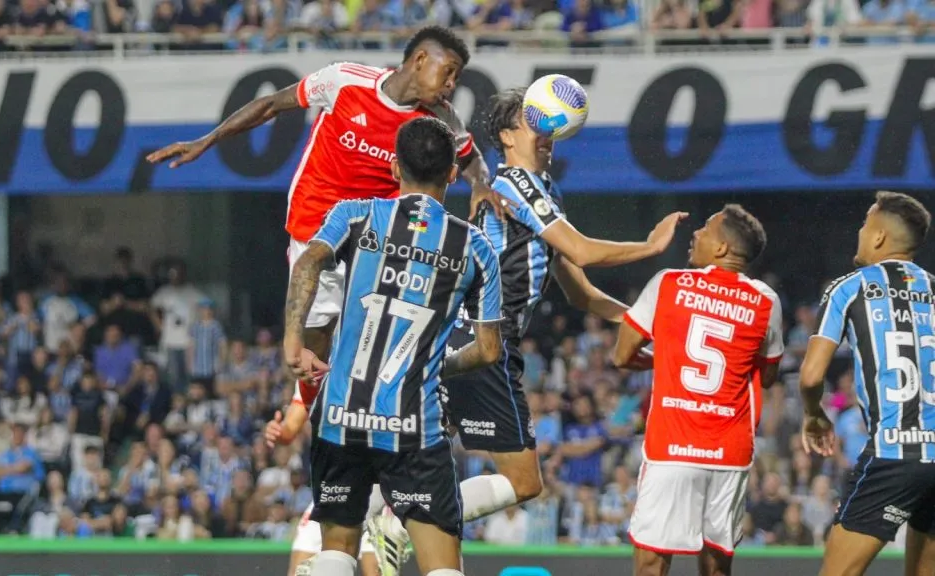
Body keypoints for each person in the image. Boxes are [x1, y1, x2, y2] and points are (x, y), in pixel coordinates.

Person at [384, 87, 686, 559]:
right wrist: (649, 248)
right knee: (523, 481)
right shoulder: (516, 185)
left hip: (473, 339)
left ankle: (391, 526)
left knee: (451, 468)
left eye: (550, 128)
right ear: (506, 135)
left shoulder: (544, 194)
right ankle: (401, 524)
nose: (547, 136)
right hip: (481, 338)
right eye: (534, 124)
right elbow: (583, 250)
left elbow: (579, 291)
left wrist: (650, 330)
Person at [146, 26, 503, 407]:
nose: (451, 84)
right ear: (419, 60)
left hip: (376, 233)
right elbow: (271, 105)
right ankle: (309, 403)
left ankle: (384, 405)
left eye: (457, 77)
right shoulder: (344, 81)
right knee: (316, 333)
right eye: (448, 71)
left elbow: (470, 157)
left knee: (384, 330)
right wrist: (208, 140)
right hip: (316, 224)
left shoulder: (439, 118)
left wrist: (481, 184)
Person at [283, 117, 504, 576]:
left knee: (336, 553)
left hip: (341, 418)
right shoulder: (475, 247)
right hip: (414, 429)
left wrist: (292, 341)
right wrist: (435, 366)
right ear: (451, 175)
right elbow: (487, 351)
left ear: (393, 168)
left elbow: (307, 263)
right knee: (442, 568)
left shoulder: (354, 215)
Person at [613, 205, 784, 576]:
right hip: (730, 451)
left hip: (672, 447)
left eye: (705, 229)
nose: (696, 234)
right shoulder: (767, 301)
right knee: (716, 565)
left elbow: (623, 354)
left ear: (721, 247)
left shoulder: (669, 283)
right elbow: (767, 376)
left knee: (651, 563)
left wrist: (665, 360)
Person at [799, 191, 935, 576]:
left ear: (877, 237)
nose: (858, 232)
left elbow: (810, 375)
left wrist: (813, 414)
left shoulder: (850, 287)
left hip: (894, 453)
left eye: (864, 224)